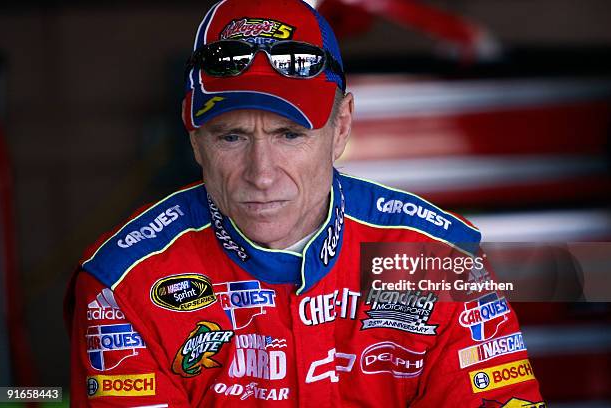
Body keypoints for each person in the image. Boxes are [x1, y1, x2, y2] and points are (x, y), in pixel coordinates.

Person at [65, 0, 545, 406]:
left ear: (341, 126)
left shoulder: (439, 259)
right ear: (194, 138)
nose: (262, 173)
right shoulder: (122, 287)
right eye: (231, 136)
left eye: (289, 134)